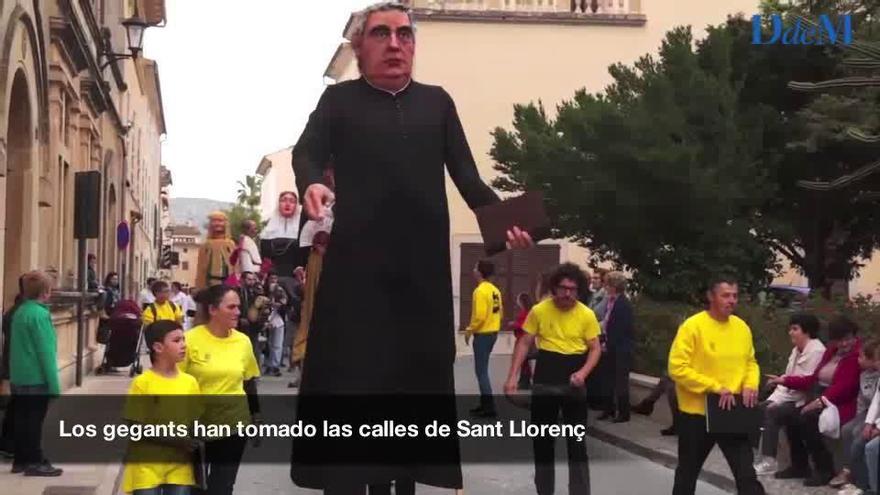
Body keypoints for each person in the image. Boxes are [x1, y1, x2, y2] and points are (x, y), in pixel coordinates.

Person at [288, 2, 532, 491]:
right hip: (357, 275)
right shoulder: (339, 103)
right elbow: (306, 150)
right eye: (381, 34)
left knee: (412, 389)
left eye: (405, 34)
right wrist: (312, 181)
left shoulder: (437, 103)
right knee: (352, 386)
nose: (395, 43)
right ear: (359, 48)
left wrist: (508, 223)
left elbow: (468, 177)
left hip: (420, 278)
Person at [504, 263, 602, 495]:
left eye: (573, 289)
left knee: (576, 444)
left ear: (578, 291)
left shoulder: (586, 315)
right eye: (563, 288)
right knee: (543, 444)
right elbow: (525, 342)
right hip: (546, 373)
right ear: (554, 287)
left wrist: (583, 373)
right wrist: (512, 377)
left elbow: (595, 348)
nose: (567, 294)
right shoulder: (540, 310)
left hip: (574, 376)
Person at [668, 277, 765, 495]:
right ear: (711, 296)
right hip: (697, 413)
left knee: (746, 474)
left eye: (735, 296)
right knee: (687, 472)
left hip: (731, 411)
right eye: (725, 295)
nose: (731, 301)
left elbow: (750, 362)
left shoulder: (741, 328)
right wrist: (713, 386)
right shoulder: (693, 326)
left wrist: (750, 384)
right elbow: (677, 367)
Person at [181, 285, 260, 495]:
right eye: (231, 307)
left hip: (234, 425)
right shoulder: (189, 340)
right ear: (213, 310)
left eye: (238, 307)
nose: (237, 312)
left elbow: (249, 382)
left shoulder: (242, 342)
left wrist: (256, 418)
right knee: (194, 488)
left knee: (222, 487)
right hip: (195, 427)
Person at [770, 315, 862, 487]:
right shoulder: (831, 352)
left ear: (854, 336)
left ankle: (824, 469)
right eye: (839, 340)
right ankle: (799, 465)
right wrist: (785, 380)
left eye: (847, 339)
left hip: (841, 403)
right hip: (822, 397)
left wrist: (820, 401)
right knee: (789, 415)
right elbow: (813, 378)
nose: (844, 344)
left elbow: (845, 387)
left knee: (808, 418)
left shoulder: (856, 355)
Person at [122, 320, 202, 495]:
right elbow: (135, 427)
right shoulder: (142, 383)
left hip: (180, 466)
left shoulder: (190, 382)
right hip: (146, 466)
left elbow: (195, 421)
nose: (183, 345)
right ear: (158, 347)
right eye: (176, 341)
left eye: (183, 340)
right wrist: (175, 440)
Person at [752, 312, 826, 476]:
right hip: (791, 398)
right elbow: (787, 380)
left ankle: (769, 460)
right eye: (790, 328)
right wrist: (775, 395)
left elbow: (805, 382)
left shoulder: (816, 351)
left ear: (806, 331)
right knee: (761, 408)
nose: (790, 332)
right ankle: (793, 464)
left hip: (807, 401)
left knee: (773, 411)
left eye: (795, 329)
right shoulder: (796, 350)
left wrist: (781, 383)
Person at [9, 270, 63, 476]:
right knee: (34, 423)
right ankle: (35, 461)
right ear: (46, 292)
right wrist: (54, 385)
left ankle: (20, 460)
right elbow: (46, 352)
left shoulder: (20, 311)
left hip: (20, 376)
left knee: (22, 420)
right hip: (37, 377)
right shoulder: (40, 315)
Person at [833, 338, 880, 494]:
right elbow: (876, 401)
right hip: (872, 417)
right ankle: (860, 483)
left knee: (865, 445)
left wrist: (877, 427)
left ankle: (867, 486)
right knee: (851, 433)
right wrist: (868, 423)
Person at [464, 260, 502, 418]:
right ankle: (485, 404)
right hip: (493, 333)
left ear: (480, 272)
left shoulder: (480, 291)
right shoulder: (495, 290)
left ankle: (489, 407)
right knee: (482, 370)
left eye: (475, 267)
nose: (473, 270)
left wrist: (469, 330)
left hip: (483, 334)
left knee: (481, 371)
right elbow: (500, 313)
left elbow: (479, 316)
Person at [596, 271, 634, 423]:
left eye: (607, 284)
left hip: (621, 348)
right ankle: (608, 409)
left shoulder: (624, 304)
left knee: (620, 381)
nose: (605, 287)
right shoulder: (610, 301)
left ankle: (624, 413)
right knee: (607, 379)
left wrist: (607, 343)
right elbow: (607, 322)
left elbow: (620, 328)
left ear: (614, 286)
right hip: (609, 345)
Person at [0, 275, 25, 459]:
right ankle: (10, 444)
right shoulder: (21, 312)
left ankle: (9, 443)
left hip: (13, 366)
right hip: (17, 368)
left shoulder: (15, 310)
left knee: (13, 407)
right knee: (16, 407)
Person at [195, 212, 236, 290]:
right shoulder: (205, 245)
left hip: (228, 283)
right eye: (214, 221)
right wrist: (199, 287)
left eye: (220, 221)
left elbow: (235, 266)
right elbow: (201, 268)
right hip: (210, 284)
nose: (217, 224)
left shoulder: (230, 244)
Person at [507, 292, 534, 390]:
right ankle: (525, 380)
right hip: (527, 340)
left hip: (522, 339)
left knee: (523, 361)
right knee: (524, 362)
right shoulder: (529, 312)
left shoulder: (525, 312)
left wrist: (513, 324)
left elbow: (522, 325)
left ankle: (524, 381)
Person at [264, 275, 289, 377]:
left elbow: (284, 301)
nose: (273, 281)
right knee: (268, 344)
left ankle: (274, 366)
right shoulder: (263, 289)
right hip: (266, 320)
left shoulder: (280, 290)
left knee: (277, 344)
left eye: (275, 279)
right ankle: (268, 364)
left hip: (278, 320)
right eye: (271, 279)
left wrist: (277, 304)